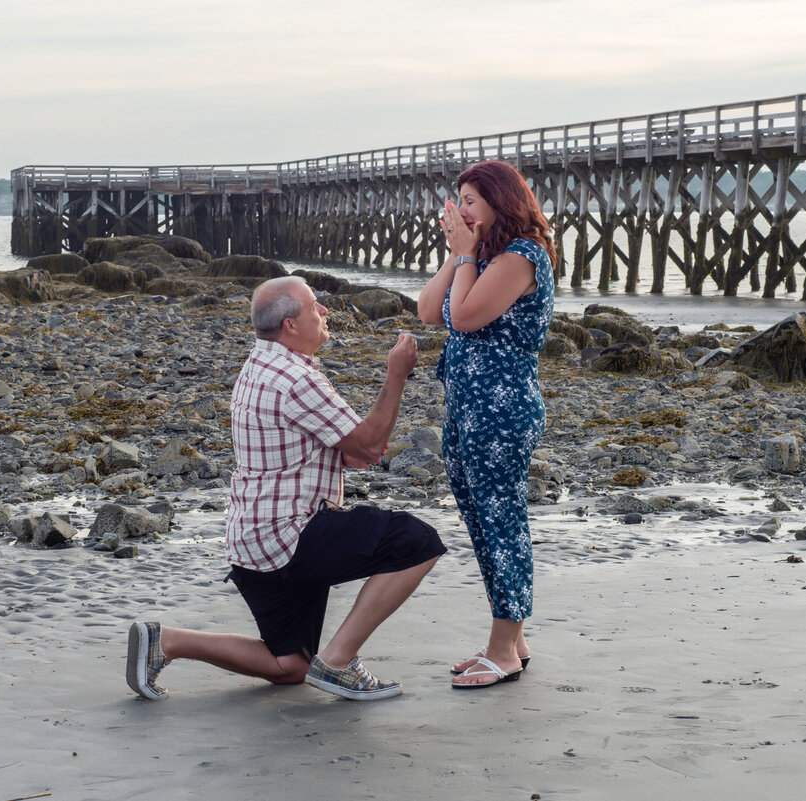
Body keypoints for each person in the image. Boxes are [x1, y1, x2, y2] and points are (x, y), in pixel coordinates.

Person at [127, 276, 445, 702]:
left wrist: (357, 445)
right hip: (289, 537)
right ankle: (338, 664)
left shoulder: (260, 365)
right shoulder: (296, 378)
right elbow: (368, 444)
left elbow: (347, 451)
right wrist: (396, 374)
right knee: (417, 541)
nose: (325, 312)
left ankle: (166, 641)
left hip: (251, 544)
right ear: (291, 325)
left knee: (289, 665)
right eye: (315, 306)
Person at [416, 160, 556, 689]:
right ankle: (512, 640)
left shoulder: (522, 256)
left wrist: (467, 253)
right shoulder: (485, 256)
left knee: (502, 524)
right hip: (467, 410)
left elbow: (467, 317)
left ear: (501, 200)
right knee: (480, 522)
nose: (462, 209)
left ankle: (504, 649)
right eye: (459, 200)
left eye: (471, 199)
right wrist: (459, 254)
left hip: (501, 413)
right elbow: (432, 310)